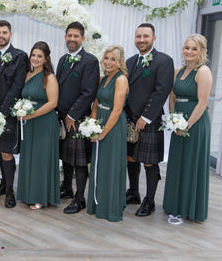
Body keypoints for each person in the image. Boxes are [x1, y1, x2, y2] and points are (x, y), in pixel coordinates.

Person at [125, 23, 174, 217]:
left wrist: (145, 117)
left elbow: (161, 91)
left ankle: (150, 200)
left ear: (153, 38)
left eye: (146, 36)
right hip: (130, 119)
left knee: (149, 162)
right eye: (138, 36)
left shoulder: (164, 61)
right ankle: (134, 192)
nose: (142, 40)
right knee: (131, 157)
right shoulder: (129, 62)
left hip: (149, 120)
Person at [163, 34, 212, 223]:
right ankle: (175, 205)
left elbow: (202, 103)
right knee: (178, 164)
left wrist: (186, 126)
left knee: (191, 164)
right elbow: (172, 97)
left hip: (195, 124)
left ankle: (189, 208)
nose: (189, 52)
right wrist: (174, 119)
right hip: (180, 124)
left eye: (194, 48)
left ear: (202, 51)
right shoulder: (178, 70)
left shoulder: (203, 71)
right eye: (187, 48)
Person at [56, 21, 99, 214]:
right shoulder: (62, 60)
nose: (72, 39)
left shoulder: (90, 61)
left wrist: (72, 115)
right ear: (65, 37)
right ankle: (66, 187)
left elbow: (89, 92)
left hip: (78, 119)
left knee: (80, 161)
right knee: (66, 157)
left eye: (76, 36)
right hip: (63, 117)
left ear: (82, 38)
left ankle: (80, 198)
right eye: (69, 36)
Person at [0, 20, 28, 208]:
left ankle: (11, 190)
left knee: (7, 152)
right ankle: (4, 184)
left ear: (10, 34)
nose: (1, 36)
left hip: (9, 113)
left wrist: (1, 113)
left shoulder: (20, 56)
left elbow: (17, 86)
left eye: (4, 32)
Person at [87, 45, 129, 222]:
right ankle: (98, 202)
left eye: (113, 59)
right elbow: (95, 104)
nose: (109, 62)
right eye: (106, 58)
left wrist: (103, 132)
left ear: (120, 62)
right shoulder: (102, 78)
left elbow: (117, 109)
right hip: (101, 121)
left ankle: (110, 206)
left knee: (110, 165)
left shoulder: (121, 80)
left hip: (113, 126)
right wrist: (92, 124)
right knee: (99, 165)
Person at [16, 41, 60, 210]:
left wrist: (31, 114)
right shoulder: (28, 74)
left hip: (44, 123)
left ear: (46, 58)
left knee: (41, 159)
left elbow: (53, 103)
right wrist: (20, 112)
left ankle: (41, 197)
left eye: (39, 56)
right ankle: (28, 193)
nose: (35, 58)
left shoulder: (49, 77)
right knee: (30, 157)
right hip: (29, 124)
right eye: (33, 55)